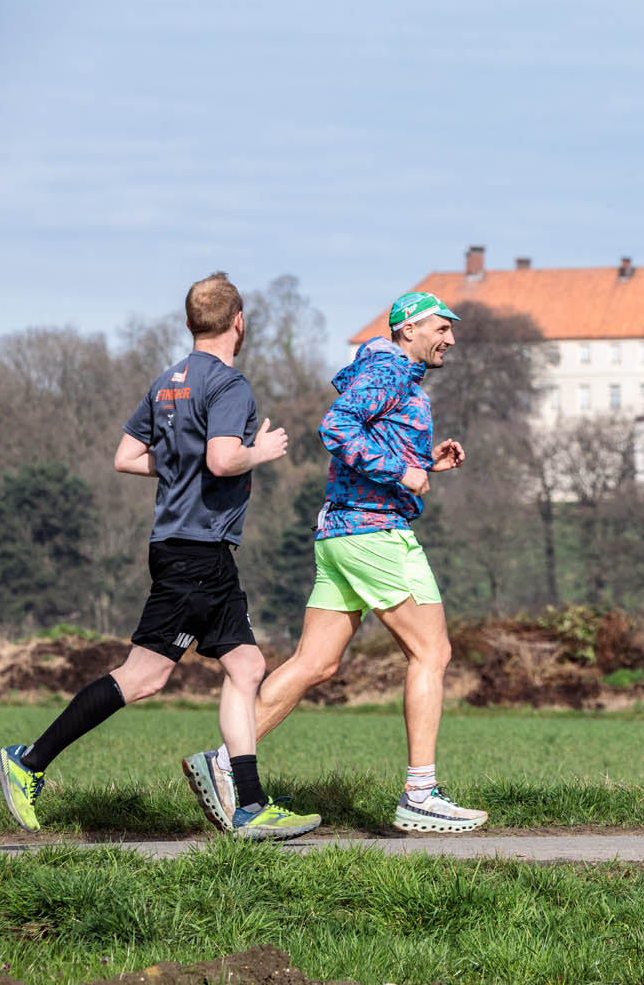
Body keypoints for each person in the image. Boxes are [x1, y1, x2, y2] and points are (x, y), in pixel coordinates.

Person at [0, 272, 321, 841]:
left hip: (191, 549)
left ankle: (249, 805)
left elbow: (126, 456)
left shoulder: (166, 382)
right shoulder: (229, 384)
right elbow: (222, 461)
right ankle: (29, 761)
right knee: (142, 678)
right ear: (238, 322)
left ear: (191, 321)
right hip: (197, 552)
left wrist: (177, 464)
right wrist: (259, 451)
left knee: (245, 665)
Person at [181, 291, 487, 834]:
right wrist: (401, 471)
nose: (451, 339)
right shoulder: (390, 371)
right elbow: (336, 428)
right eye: (442, 328)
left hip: (342, 533)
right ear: (409, 329)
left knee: (315, 664)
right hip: (376, 535)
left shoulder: (387, 372)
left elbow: (365, 440)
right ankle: (420, 792)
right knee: (433, 651)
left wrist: (425, 464)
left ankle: (225, 761)